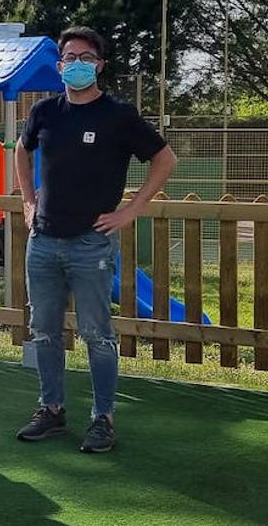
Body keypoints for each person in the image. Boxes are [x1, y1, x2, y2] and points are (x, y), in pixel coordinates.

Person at [14, 26, 177, 453]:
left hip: (91, 244)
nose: (78, 64)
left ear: (100, 65)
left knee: (97, 335)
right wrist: (28, 202)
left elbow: (165, 158)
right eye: (70, 57)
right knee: (44, 332)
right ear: (59, 65)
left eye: (86, 58)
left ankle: (102, 418)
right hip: (43, 242)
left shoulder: (118, 115)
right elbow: (21, 150)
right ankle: (51, 409)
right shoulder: (45, 113)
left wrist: (133, 209)